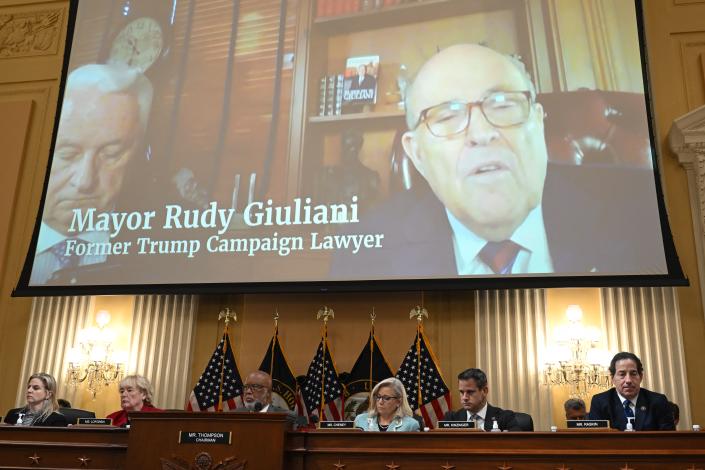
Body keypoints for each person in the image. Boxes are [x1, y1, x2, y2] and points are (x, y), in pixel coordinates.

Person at [330, 43, 665, 277]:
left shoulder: (646, 212)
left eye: (503, 105)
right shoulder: (363, 253)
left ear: (538, 122)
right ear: (417, 154)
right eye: (447, 115)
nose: (481, 132)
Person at [30, 63, 153, 285]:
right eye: (67, 154)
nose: (84, 181)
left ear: (137, 154)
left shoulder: (159, 250)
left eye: (111, 154)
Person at [587, 352, 675, 431]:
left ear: (640, 376)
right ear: (612, 378)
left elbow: (669, 439)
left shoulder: (658, 401)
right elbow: (596, 440)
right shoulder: (600, 402)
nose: (628, 380)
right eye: (622, 374)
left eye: (633, 373)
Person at [442, 368, 521, 431]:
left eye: (470, 392)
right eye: (462, 392)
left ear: (484, 391)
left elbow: (517, 445)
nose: (464, 397)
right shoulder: (451, 419)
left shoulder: (505, 418)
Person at [353, 377, 420, 432]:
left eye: (386, 398)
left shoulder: (411, 425)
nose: (380, 402)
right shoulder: (360, 420)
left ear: (399, 402)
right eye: (378, 397)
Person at [3, 373, 68, 426]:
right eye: (29, 387)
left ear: (48, 394)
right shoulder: (13, 414)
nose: (29, 390)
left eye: (36, 388)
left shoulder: (57, 419)